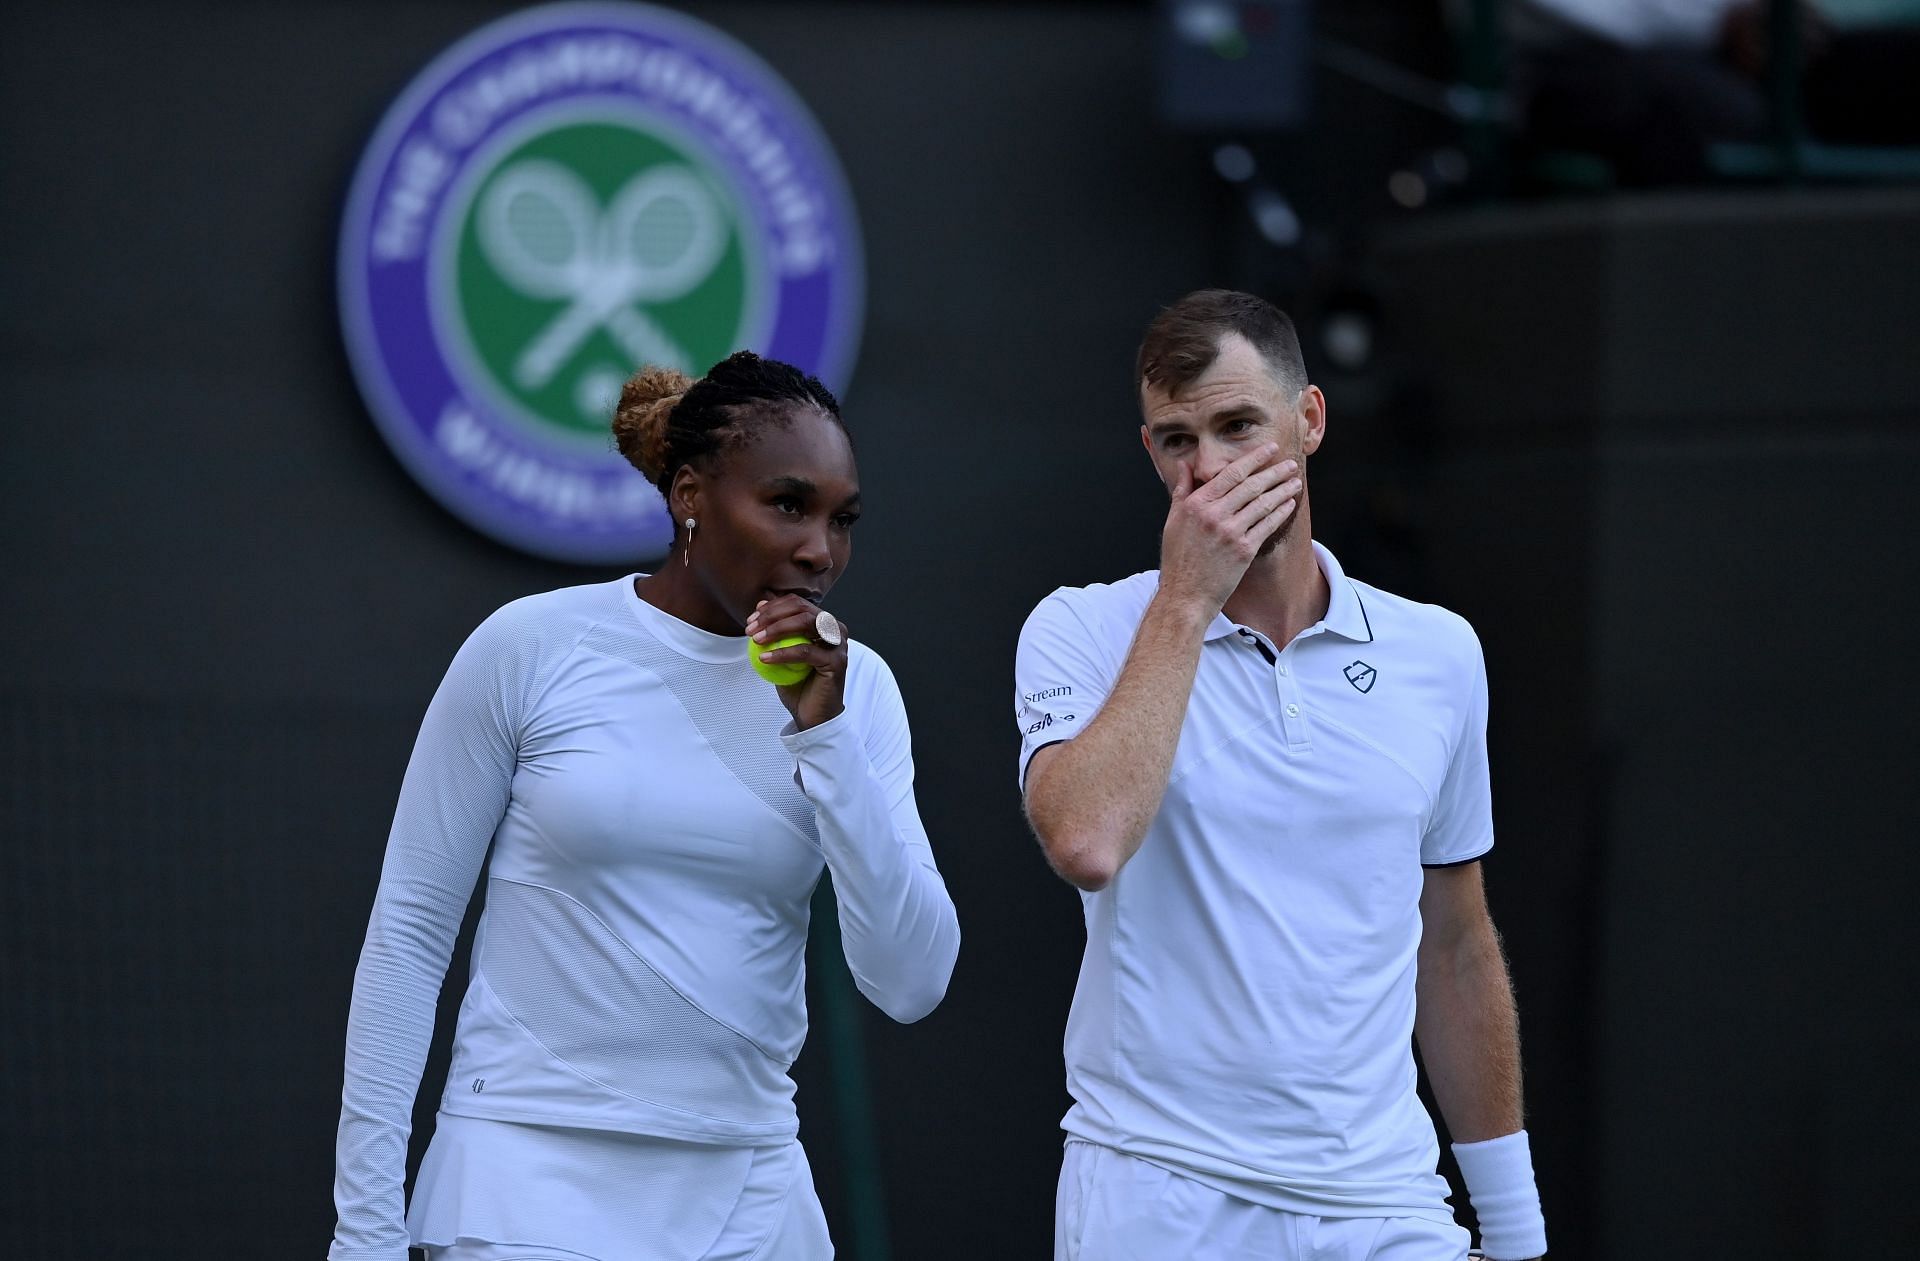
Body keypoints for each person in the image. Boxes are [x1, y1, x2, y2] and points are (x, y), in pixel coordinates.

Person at [329, 350, 960, 1261]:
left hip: (752, 1202)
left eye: (842, 519)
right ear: (690, 496)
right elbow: (409, 934)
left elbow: (911, 982)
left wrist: (826, 736)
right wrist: (365, 1231)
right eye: (788, 503)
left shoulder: (862, 694)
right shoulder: (529, 647)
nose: (820, 549)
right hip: (520, 1188)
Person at [1015, 291, 1547, 1261]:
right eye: (1177, 441)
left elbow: (1456, 948)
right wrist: (1185, 601)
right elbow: (1085, 841)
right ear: (1149, 455)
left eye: (1235, 427)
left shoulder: (1440, 653)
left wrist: (1516, 1238)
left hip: (1388, 1202)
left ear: (1308, 423)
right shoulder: (1080, 629)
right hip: (1158, 1194)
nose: (1207, 470)